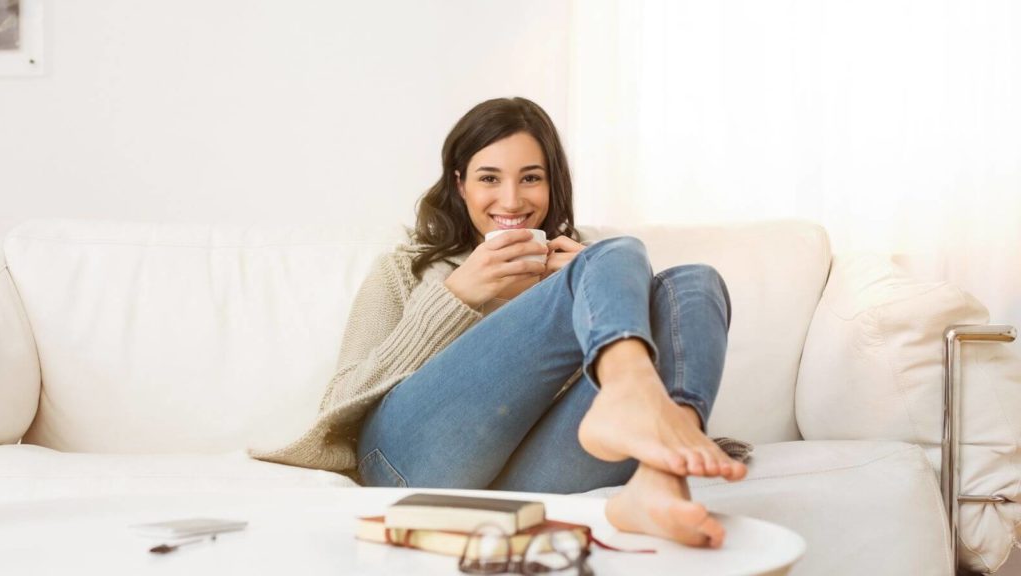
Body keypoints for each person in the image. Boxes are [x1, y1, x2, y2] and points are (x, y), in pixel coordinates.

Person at [252, 97, 748, 548]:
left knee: (694, 282)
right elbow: (340, 403)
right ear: (459, 183)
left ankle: (660, 481)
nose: (511, 202)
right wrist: (456, 297)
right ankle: (631, 400)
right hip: (412, 468)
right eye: (489, 178)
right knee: (618, 255)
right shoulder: (406, 267)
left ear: (553, 183)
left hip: (530, 478)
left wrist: (588, 282)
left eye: (531, 178)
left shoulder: (587, 259)